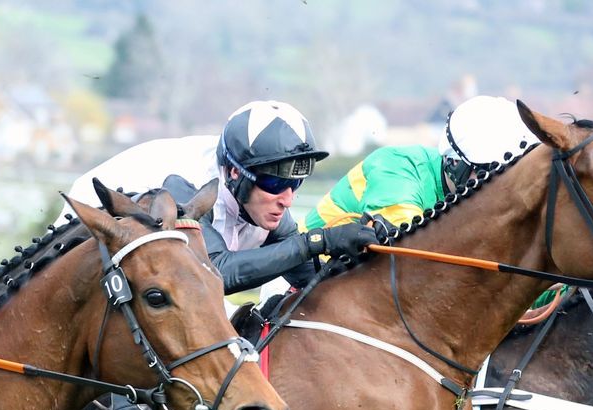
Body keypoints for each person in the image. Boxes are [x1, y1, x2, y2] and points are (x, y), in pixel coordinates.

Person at [66, 100, 381, 294]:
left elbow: (308, 280)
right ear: (234, 173)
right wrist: (318, 241)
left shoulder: (260, 200)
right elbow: (215, 273)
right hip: (81, 239)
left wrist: (358, 258)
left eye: (295, 185)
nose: (287, 199)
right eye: (274, 183)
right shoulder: (187, 185)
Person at [304, 96, 535, 233]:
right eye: (491, 173)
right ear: (455, 165)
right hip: (308, 281)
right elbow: (411, 255)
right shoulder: (398, 167)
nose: (502, 188)